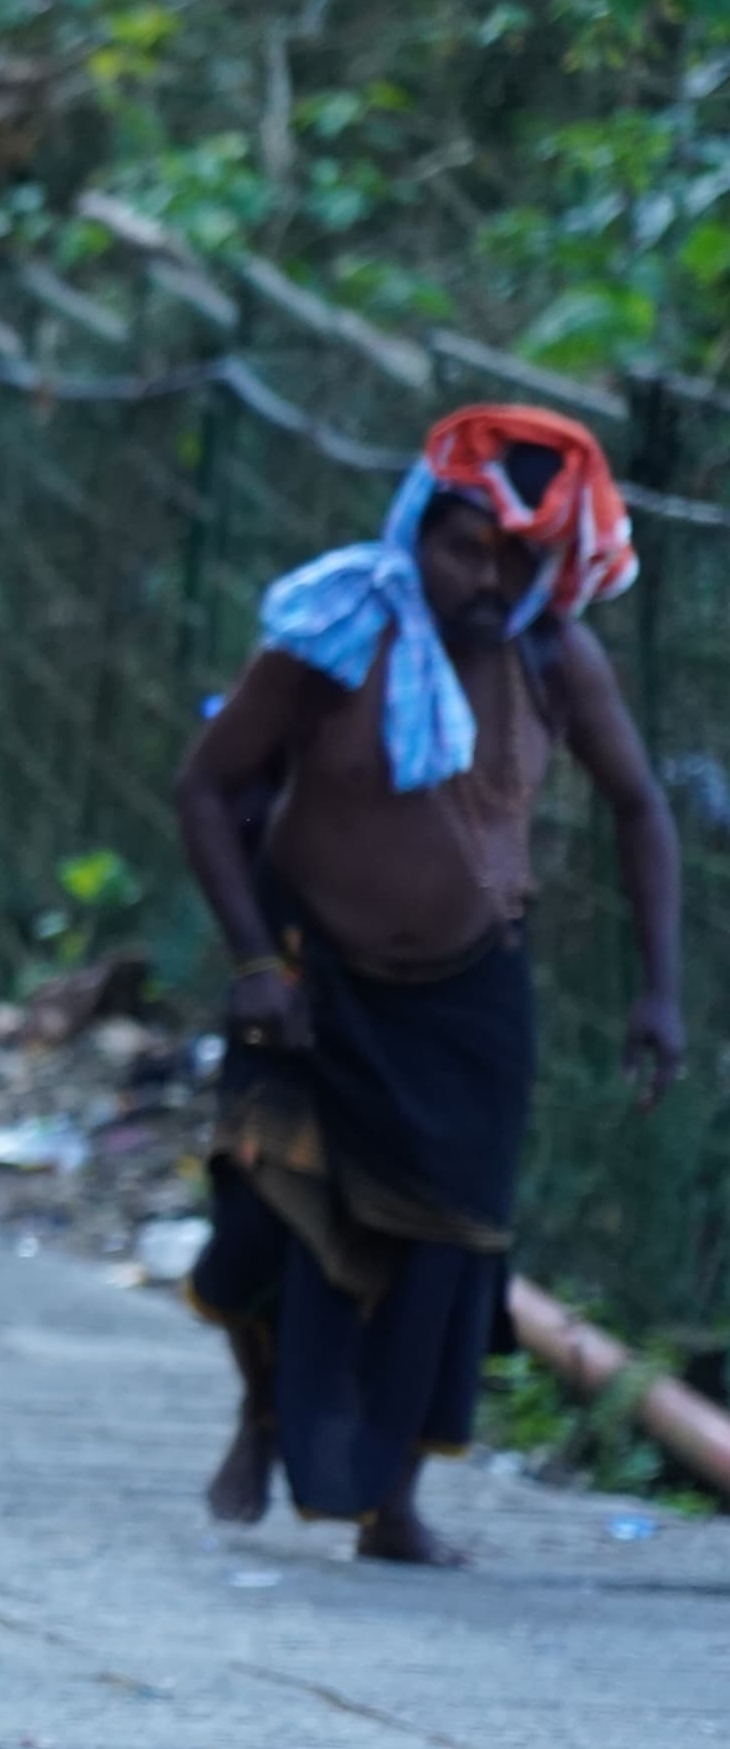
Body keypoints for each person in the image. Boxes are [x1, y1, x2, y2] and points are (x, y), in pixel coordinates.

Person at [175, 406, 683, 1566]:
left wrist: (660, 993)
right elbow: (205, 788)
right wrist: (253, 960)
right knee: (264, 1221)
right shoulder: (333, 631)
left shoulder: (552, 655)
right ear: (416, 530)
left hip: (466, 997)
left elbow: (637, 806)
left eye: (512, 555)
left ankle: (389, 1501)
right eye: (463, 545)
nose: (482, 575)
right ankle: (263, 1410)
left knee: (447, 1250)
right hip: (305, 979)